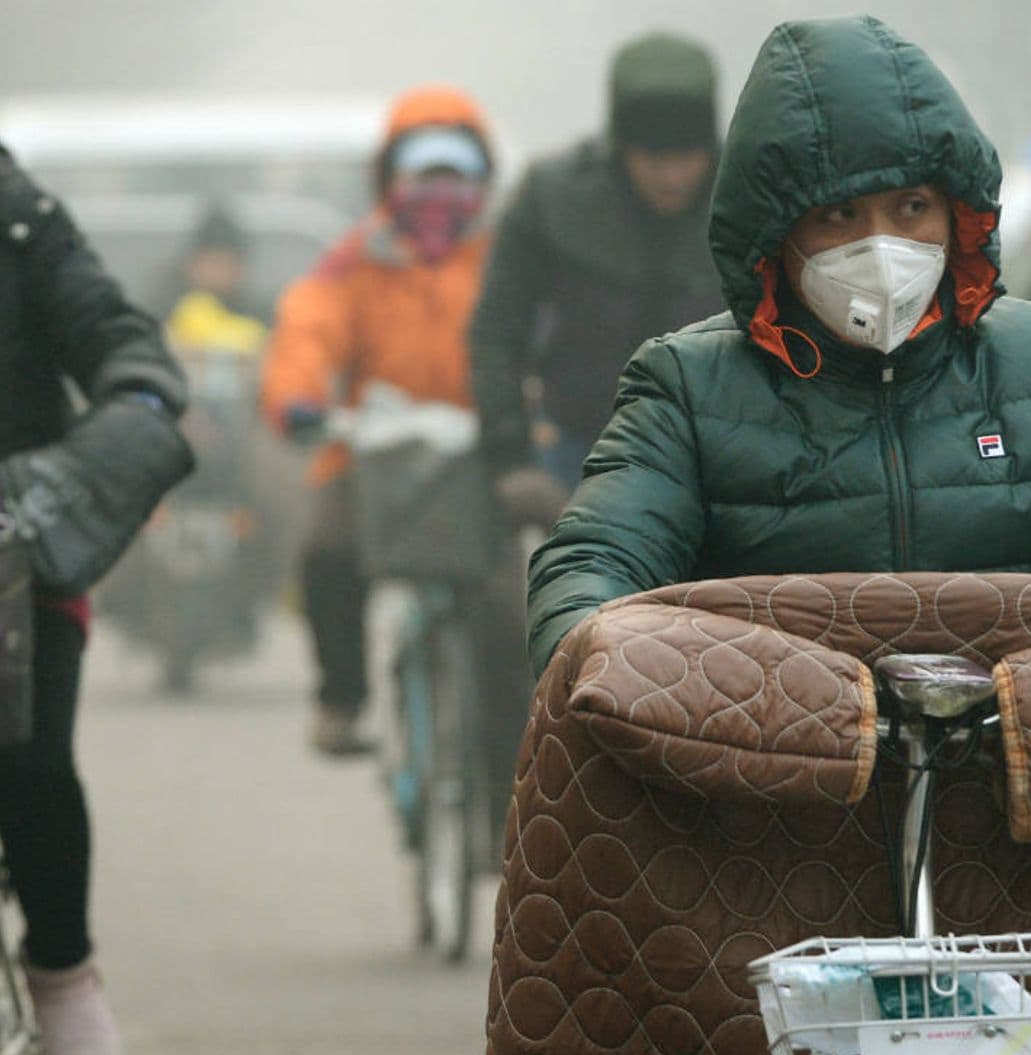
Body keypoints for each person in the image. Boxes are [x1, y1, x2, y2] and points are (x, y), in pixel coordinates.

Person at [526, 14, 1031, 680]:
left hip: (1020, 764)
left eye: (910, 208)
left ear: (957, 214)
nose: (880, 248)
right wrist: (601, 655)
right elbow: (598, 559)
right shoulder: (687, 390)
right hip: (775, 766)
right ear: (775, 232)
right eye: (839, 215)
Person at [0, 146, 189, 1055]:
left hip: (16, 540)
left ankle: (64, 982)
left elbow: (115, 333)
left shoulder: (19, 215)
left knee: (30, 763)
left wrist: (136, 402)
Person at [261, 85, 495, 754]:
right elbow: (309, 327)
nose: (439, 197)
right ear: (390, 179)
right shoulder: (357, 260)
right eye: (424, 177)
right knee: (328, 554)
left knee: (515, 590)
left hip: (482, 454)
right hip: (375, 455)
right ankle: (341, 700)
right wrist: (297, 398)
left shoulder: (508, 257)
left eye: (457, 177)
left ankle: (518, 748)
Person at [469, 31, 725, 522]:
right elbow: (499, 329)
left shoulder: (753, 197)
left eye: (687, 158)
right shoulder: (552, 198)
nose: (671, 178)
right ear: (621, 148)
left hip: (718, 456)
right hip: (579, 450)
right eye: (653, 159)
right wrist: (511, 459)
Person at [165, 203, 267, 353]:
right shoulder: (164, 308)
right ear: (191, 264)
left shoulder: (259, 314)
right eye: (211, 262)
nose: (217, 272)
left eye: (225, 263)